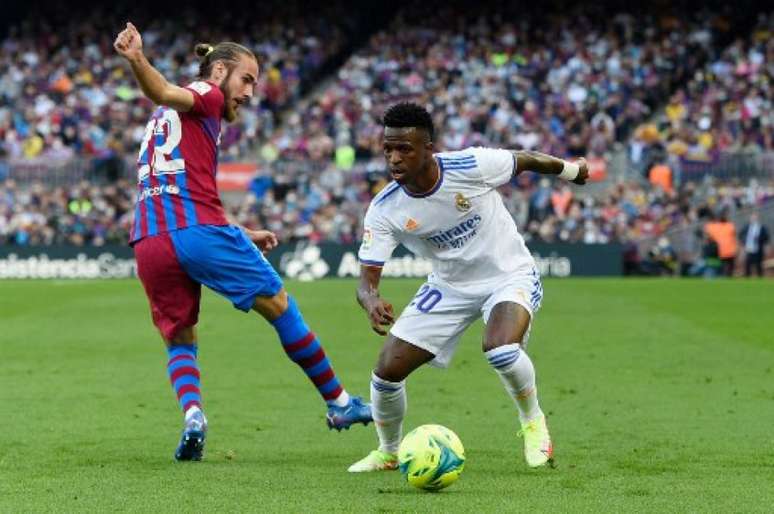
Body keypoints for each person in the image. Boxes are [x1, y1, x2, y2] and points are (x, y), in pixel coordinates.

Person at [113, 22, 371, 462]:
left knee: (179, 339)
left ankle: (193, 415)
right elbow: (163, 93)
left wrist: (239, 231)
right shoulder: (206, 94)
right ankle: (340, 404)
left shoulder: (162, 125)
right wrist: (137, 58)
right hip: (197, 233)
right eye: (246, 79)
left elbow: (186, 186)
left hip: (150, 240)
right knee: (281, 308)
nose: (251, 92)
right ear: (218, 72)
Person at [347, 103, 589, 473]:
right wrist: (371, 300)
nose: (394, 159)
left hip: (508, 273)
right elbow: (366, 280)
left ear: (429, 148)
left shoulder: (471, 166)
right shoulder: (385, 209)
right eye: (388, 149)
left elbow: (526, 160)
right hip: (450, 286)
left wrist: (572, 171)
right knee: (385, 372)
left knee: (500, 348)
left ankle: (533, 421)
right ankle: (389, 452)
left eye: (405, 149)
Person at [704, 210, 738, 277]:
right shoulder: (728, 225)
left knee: (727, 270)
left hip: (726, 252)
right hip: (724, 252)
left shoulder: (728, 226)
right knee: (726, 270)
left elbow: (708, 236)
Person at [739, 212, 769, 277]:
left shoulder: (762, 227)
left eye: (755, 217)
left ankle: (760, 279)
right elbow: (740, 235)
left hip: (758, 249)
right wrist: (743, 245)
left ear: (757, 218)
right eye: (752, 217)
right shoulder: (746, 227)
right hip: (748, 249)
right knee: (747, 265)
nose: (753, 219)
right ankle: (747, 280)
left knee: (759, 265)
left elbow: (766, 238)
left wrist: (760, 239)